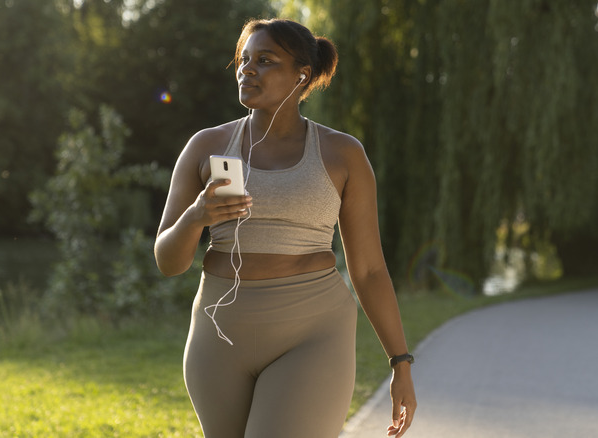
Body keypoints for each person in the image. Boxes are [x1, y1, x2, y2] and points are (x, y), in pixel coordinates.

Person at [154, 18, 417, 438]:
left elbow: (369, 270)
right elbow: (168, 262)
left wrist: (400, 364)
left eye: (265, 60)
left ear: (302, 75)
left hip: (312, 334)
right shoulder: (206, 146)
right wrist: (196, 216)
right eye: (244, 60)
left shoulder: (342, 153)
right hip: (218, 335)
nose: (248, 69)